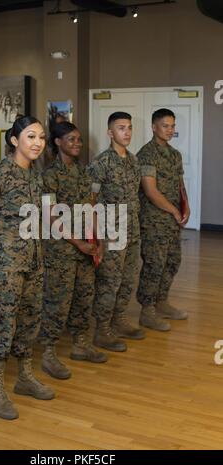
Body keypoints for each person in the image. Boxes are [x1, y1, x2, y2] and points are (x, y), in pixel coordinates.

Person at [0, 116, 54, 421]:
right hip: (5, 266)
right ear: (15, 141)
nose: (38, 143)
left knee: (29, 321)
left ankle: (25, 377)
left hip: (32, 261)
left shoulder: (35, 175)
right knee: (4, 325)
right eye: (31, 137)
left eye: (41, 137)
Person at [38, 121, 107, 380]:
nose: (77, 143)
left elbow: (91, 206)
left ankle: (80, 344)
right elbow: (50, 216)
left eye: (79, 139)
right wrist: (77, 242)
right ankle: (48, 353)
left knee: (83, 297)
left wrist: (97, 239)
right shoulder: (49, 175)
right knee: (57, 302)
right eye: (71, 139)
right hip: (61, 251)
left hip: (85, 249)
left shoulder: (84, 172)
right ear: (57, 142)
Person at [89, 112, 145, 353]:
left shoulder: (133, 161)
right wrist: (97, 235)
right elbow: (89, 201)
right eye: (121, 128)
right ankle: (102, 330)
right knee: (109, 282)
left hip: (132, 231)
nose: (127, 132)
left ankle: (119, 319)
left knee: (128, 279)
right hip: (111, 232)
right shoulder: (100, 163)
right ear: (110, 133)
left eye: (130, 127)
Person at [136, 108, 190, 331]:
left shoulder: (175, 154)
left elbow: (179, 185)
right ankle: (147, 311)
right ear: (154, 127)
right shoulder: (146, 154)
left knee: (172, 261)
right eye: (165, 125)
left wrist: (185, 206)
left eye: (172, 126)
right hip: (153, 220)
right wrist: (174, 211)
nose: (170, 130)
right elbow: (150, 191)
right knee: (154, 264)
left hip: (171, 220)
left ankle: (162, 301)